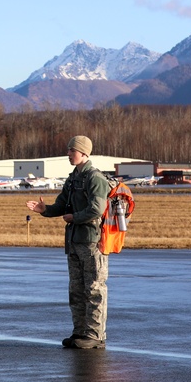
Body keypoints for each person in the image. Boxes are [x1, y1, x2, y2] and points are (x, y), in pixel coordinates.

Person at [26, 136, 112, 349]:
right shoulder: (73, 178)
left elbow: (96, 210)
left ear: (84, 153)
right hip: (74, 242)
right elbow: (62, 205)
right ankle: (80, 332)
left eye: (72, 150)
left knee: (94, 288)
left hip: (92, 242)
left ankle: (95, 335)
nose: (68, 154)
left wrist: (75, 217)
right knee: (76, 289)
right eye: (68, 150)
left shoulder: (95, 178)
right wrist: (45, 210)